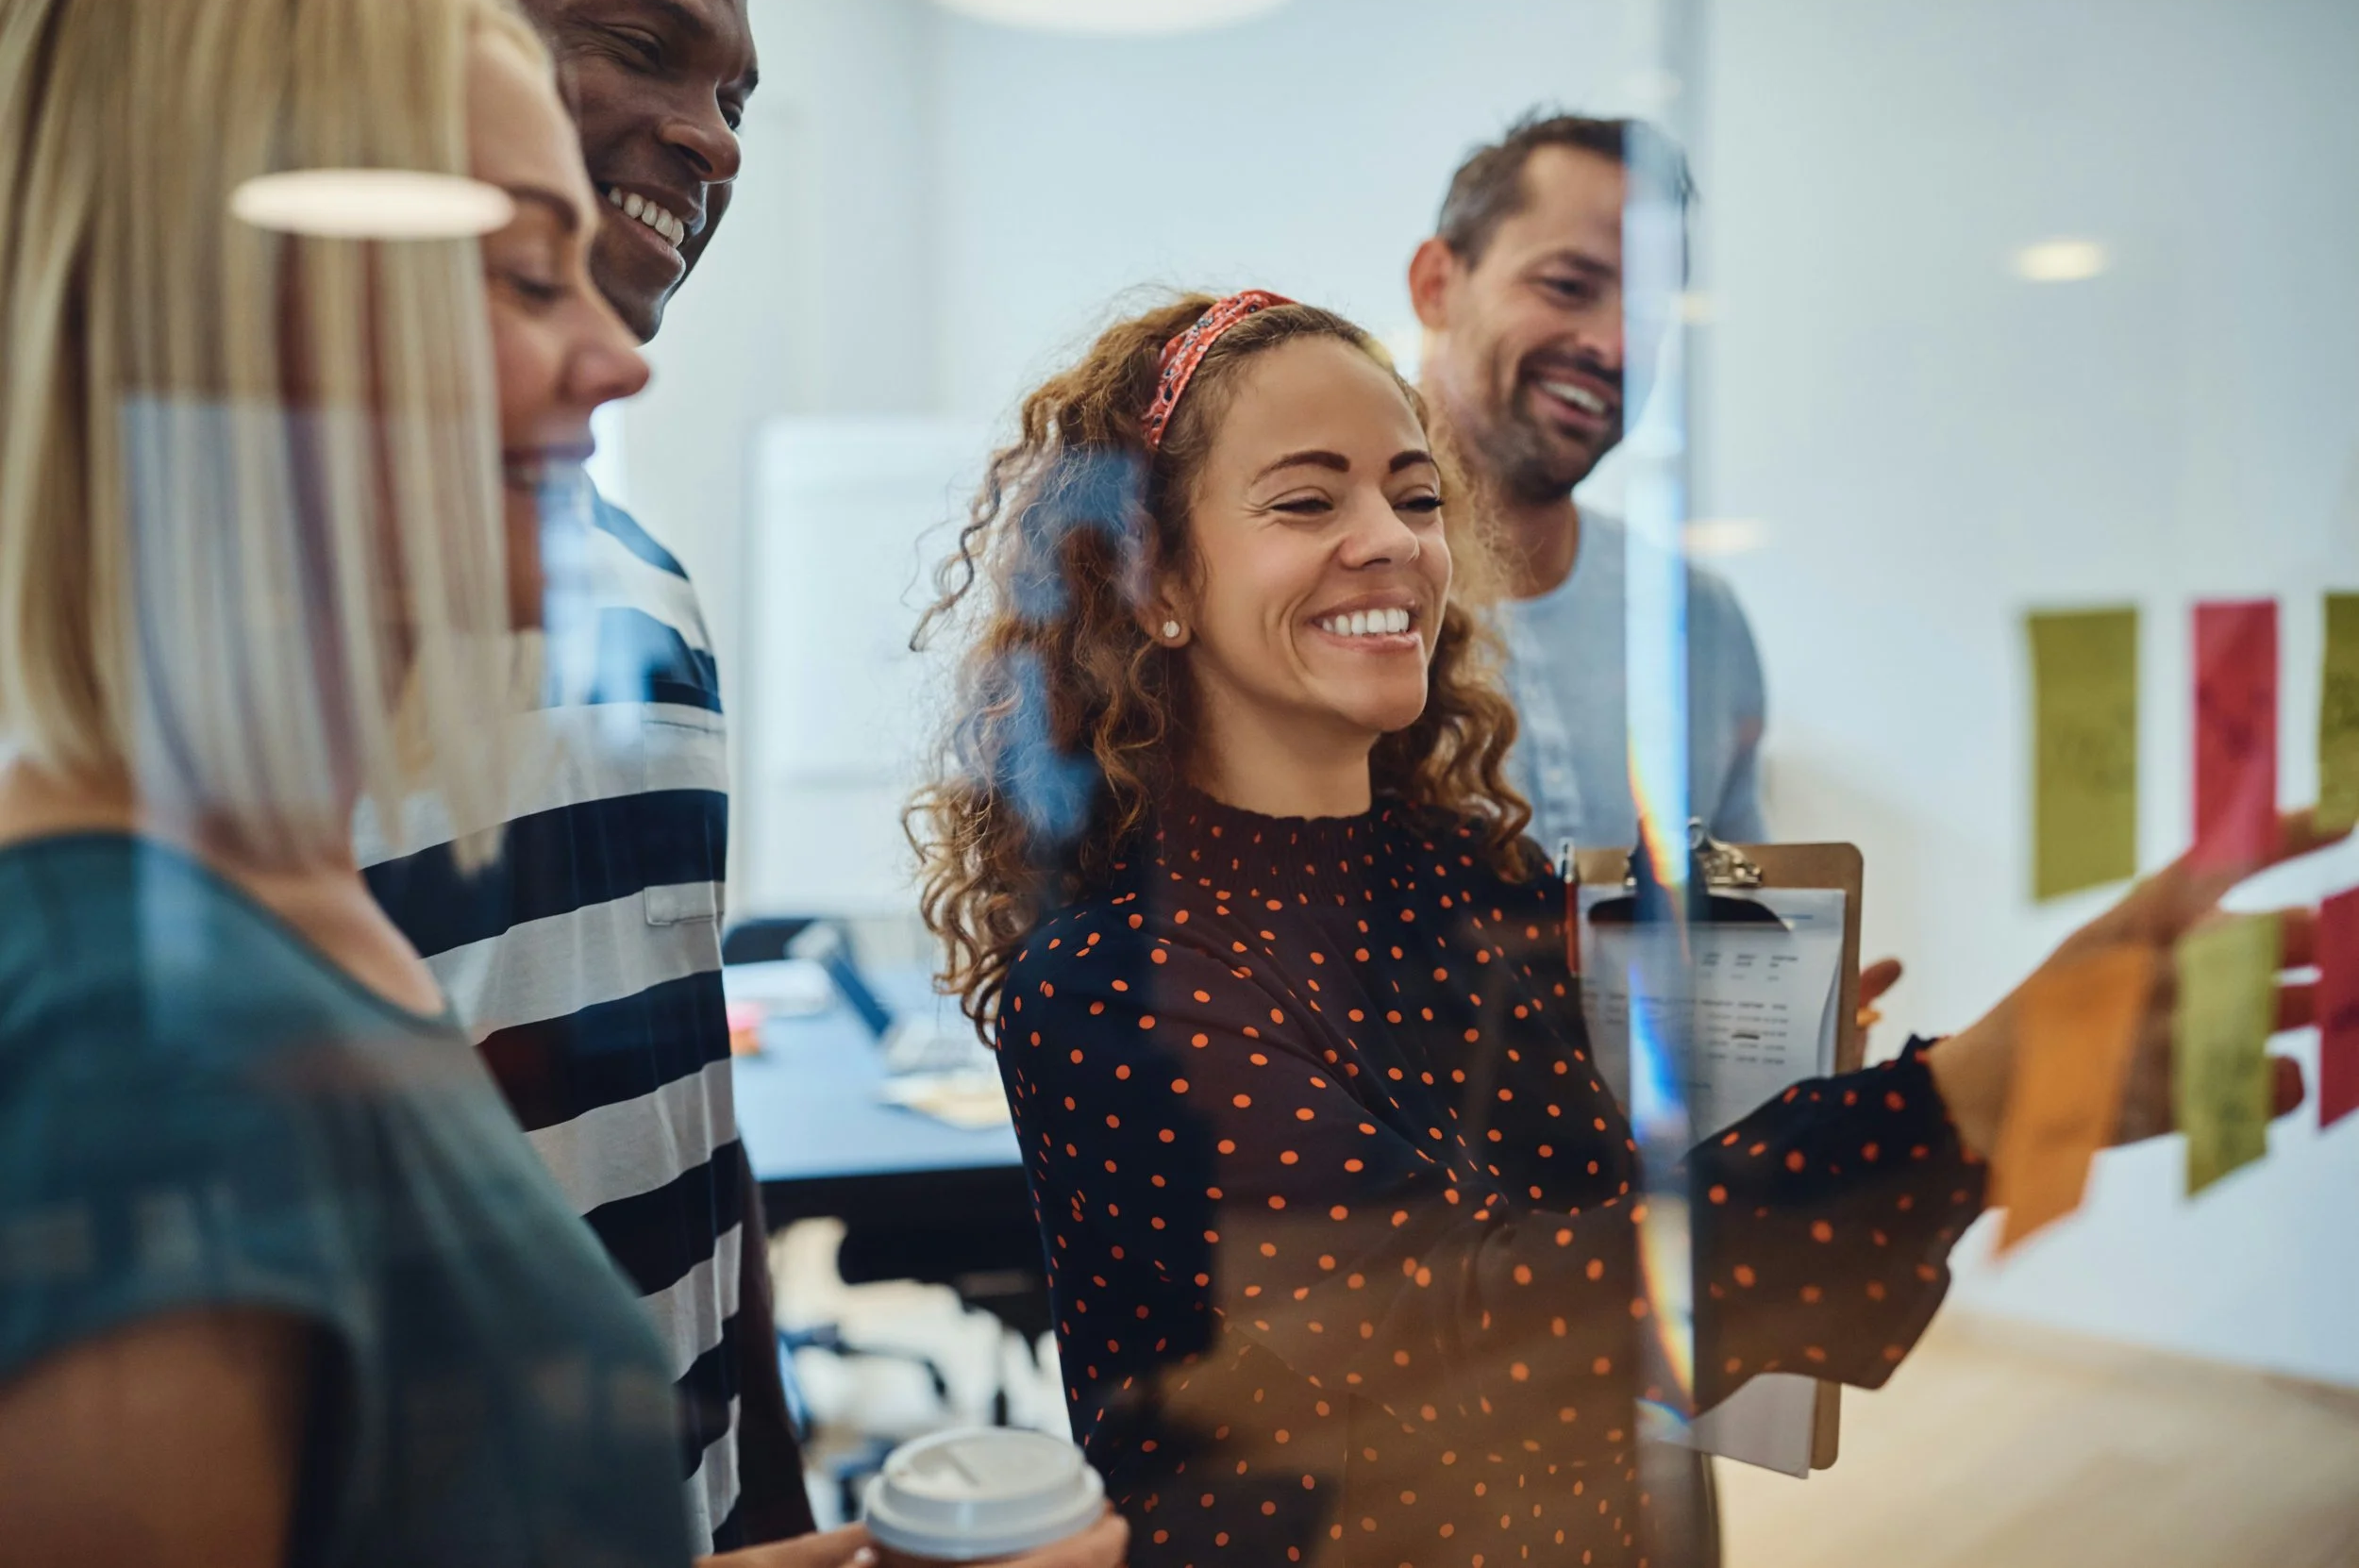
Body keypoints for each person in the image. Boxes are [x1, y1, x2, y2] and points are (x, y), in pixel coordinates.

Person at [911, 289, 2321, 1567]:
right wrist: (1961, 1106)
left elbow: (1601, 1230)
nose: (1391, 541)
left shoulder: (1469, 877)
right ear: (1152, 581)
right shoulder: (1112, 980)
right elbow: (1475, 1327)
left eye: (1414, 495)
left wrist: (1878, 1085)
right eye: (1303, 500)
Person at [0, 2, 1131, 1567]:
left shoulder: (310, 867)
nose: (617, 360)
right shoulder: (126, 1010)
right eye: (522, 275)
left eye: (739, 92)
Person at [352, 0, 795, 1548]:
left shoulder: (647, 592)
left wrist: (762, 1508)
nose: (715, 135)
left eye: (736, 92)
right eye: (640, 42)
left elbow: (691, 1110)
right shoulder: (211, 631)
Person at [1410, 111, 1761, 857]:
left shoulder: (1699, 623)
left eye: (1650, 313)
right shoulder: (1334, 595)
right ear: (1437, 284)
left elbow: (1735, 931)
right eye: (1568, 286)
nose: (1615, 345)